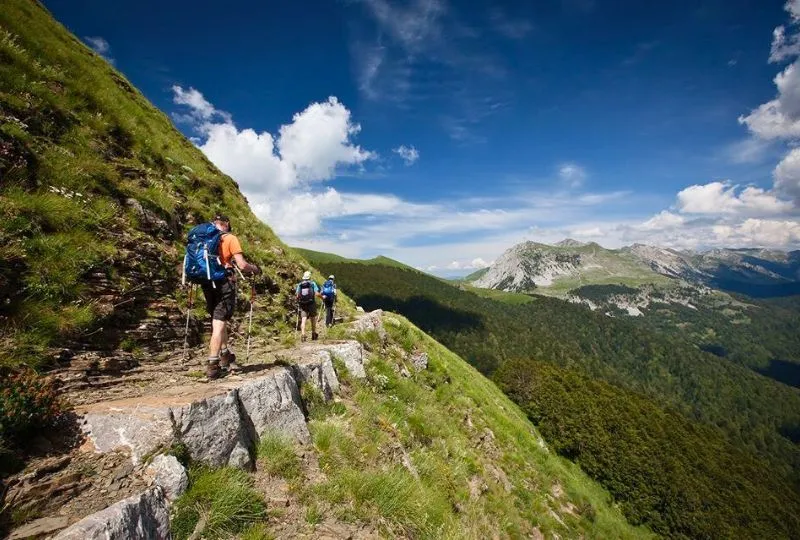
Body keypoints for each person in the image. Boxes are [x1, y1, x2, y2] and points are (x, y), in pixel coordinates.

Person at [199, 215, 260, 379]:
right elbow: (242, 265)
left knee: (218, 320)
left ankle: (225, 355)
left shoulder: (203, 239)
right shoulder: (230, 238)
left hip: (207, 282)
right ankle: (213, 364)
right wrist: (255, 269)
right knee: (219, 323)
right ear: (226, 225)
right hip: (224, 283)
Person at [296, 271, 320, 342]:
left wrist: (299, 301)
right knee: (313, 319)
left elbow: (297, 296)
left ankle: (303, 334)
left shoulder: (300, 285)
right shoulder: (312, 284)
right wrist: (322, 297)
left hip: (303, 304)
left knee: (303, 319)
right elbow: (317, 294)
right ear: (309, 277)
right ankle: (313, 334)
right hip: (311, 303)